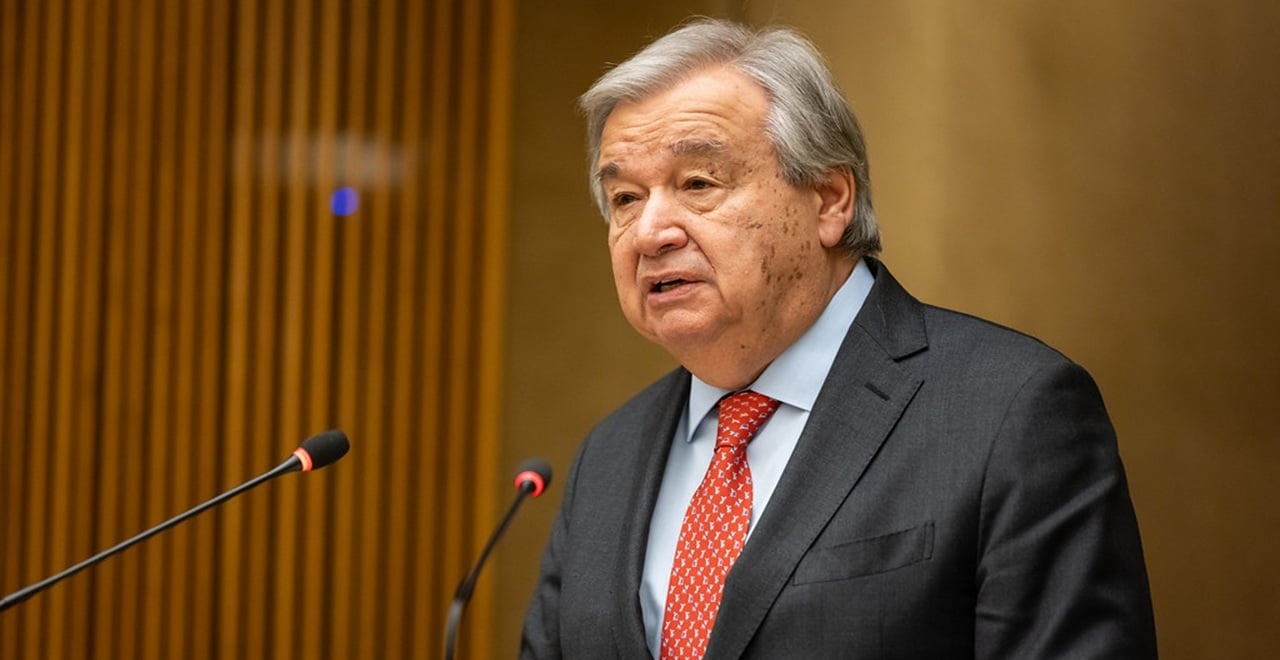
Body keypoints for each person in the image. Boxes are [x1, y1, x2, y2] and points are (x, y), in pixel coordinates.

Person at [521, 17, 1157, 660]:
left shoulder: (1010, 412)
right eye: (625, 198)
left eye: (698, 184)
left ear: (829, 199)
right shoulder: (608, 456)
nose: (650, 232)